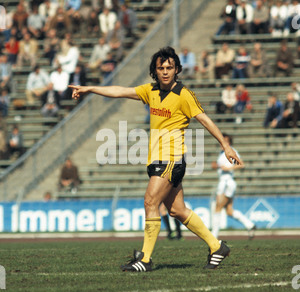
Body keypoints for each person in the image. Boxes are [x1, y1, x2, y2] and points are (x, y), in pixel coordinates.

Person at [69, 46, 243, 271]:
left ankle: (145, 259)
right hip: (157, 160)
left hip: (171, 159)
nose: (165, 71)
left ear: (177, 69)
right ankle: (216, 246)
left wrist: (225, 145)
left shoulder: (184, 95)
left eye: (170, 67)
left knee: (150, 202)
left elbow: (205, 120)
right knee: (177, 211)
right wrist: (90, 88)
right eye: (161, 68)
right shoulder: (150, 91)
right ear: (155, 70)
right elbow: (120, 91)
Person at [211, 133, 255, 240]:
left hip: (227, 183)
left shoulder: (232, 151)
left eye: (225, 141)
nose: (222, 143)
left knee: (218, 207)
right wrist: (216, 166)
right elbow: (221, 166)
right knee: (229, 211)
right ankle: (250, 225)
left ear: (229, 142)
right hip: (224, 182)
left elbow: (241, 164)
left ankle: (214, 235)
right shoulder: (222, 153)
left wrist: (228, 169)